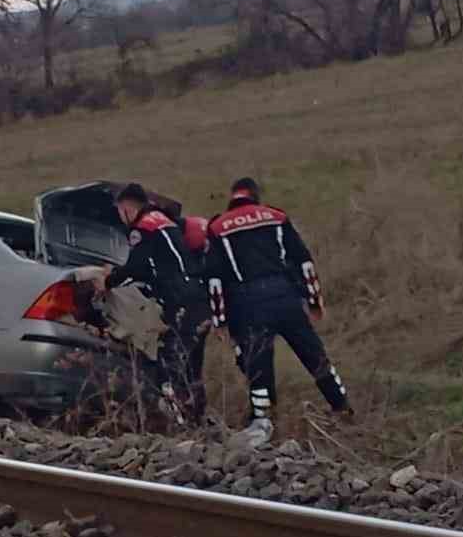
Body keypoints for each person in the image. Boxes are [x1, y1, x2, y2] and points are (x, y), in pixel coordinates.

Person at [206, 177, 352, 448]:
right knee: (314, 355)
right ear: (255, 196)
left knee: (258, 366)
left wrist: (220, 320)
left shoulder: (218, 227)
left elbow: (214, 280)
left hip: (248, 304)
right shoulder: (276, 216)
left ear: (233, 197)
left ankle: (263, 421)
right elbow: (304, 261)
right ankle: (342, 408)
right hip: (285, 297)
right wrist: (314, 300)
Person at [102, 183, 211, 424]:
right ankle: (197, 418)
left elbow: (136, 268)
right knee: (193, 366)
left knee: (168, 362)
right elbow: (158, 266)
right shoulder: (164, 221)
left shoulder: (142, 228)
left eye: (120, 211)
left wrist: (108, 281)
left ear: (127, 208)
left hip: (181, 302)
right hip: (199, 300)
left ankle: (180, 422)